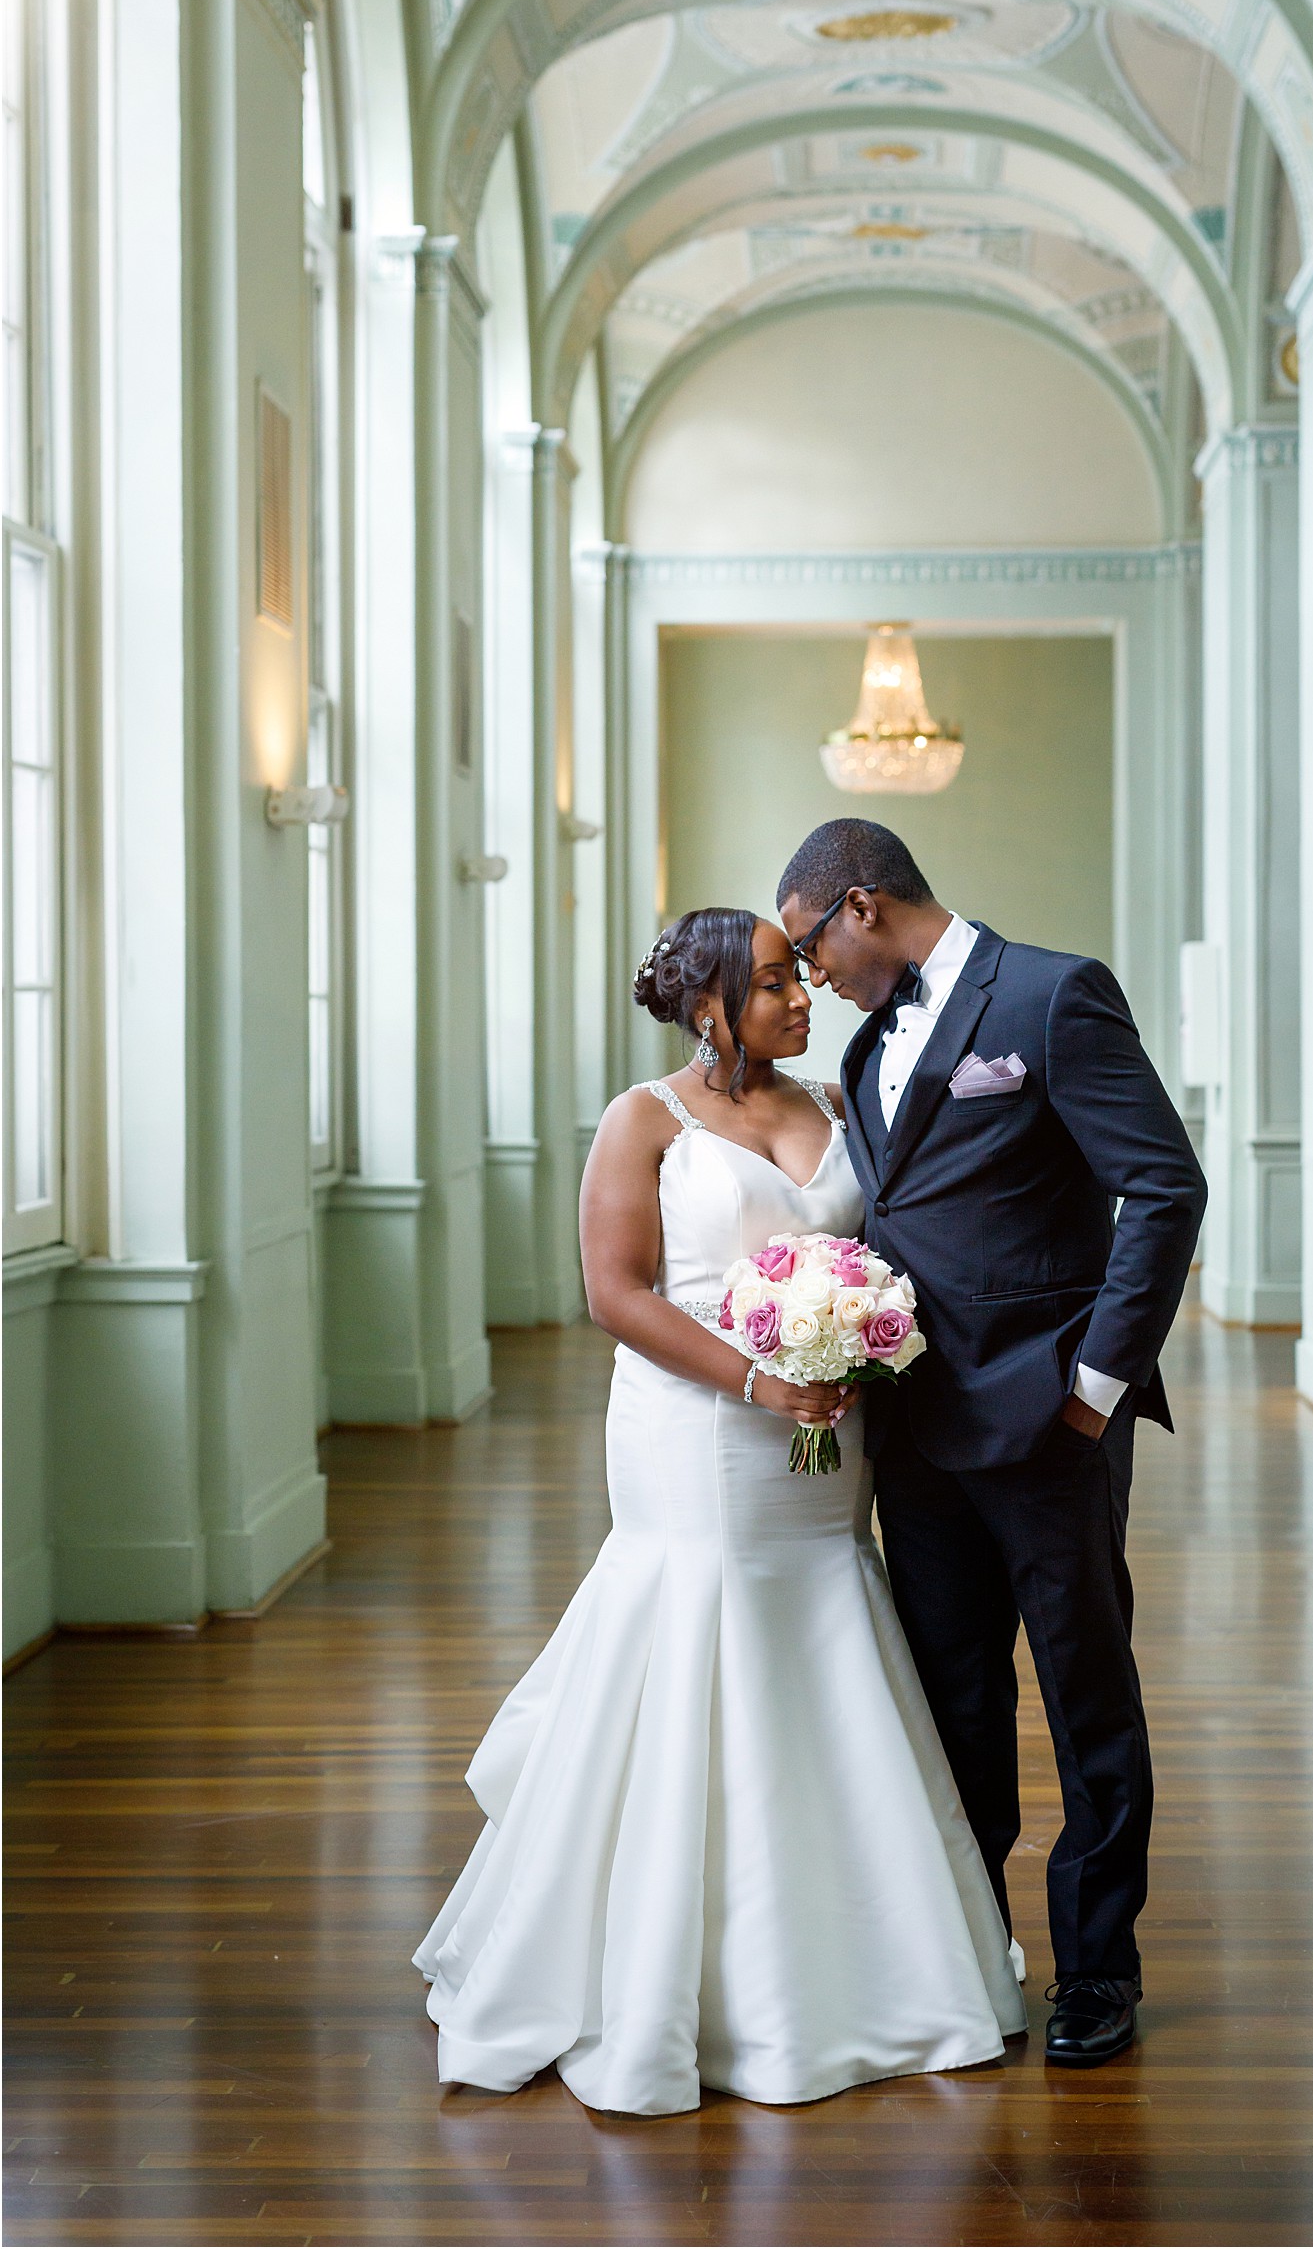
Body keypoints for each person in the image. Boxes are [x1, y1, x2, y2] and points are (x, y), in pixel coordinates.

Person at [414, 906, 1024, 2114]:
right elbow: (614, 1291)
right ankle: (670, 1979)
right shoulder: (646, 1121)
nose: (799, 997)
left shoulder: (838, 1104)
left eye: (797, 974)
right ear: (705, 1007)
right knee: (703, 1631)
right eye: (767, 984)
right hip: (696, 1437)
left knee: (825, 1629)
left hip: (825, 1434)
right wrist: (760, 1375)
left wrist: (856, 1342)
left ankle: (854, 1953)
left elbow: (885, 1248)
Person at [778, 820, 1206, 2068]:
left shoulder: (1051, 993)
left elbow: (1162, 1186)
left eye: (810, 946)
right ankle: (970, 1950)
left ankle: (1097, 1969)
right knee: (950, 1697)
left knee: (1086, 1694)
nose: (811, 978)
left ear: (860, 905)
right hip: (913, 1433)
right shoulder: (863, 1051)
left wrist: (1094, 1385)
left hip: (1048, 1423)